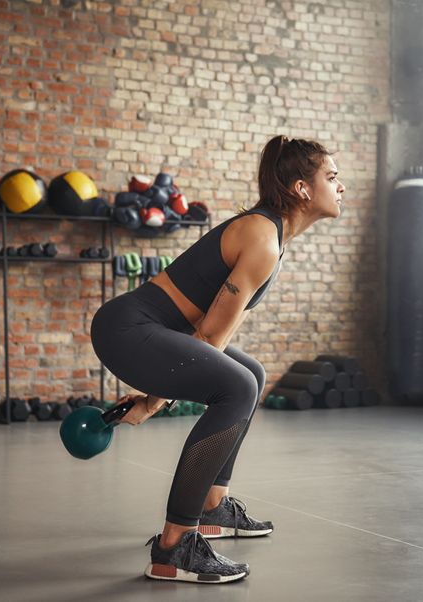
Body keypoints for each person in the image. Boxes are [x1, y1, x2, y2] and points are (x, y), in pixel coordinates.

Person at [89, 135, 345, 584]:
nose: (340, 187)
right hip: (128, 329)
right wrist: (155, 401)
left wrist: (155, 396)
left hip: (152, 331)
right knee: (238, 386)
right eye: (332, 177)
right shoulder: (263, 237)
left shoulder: (271, 235)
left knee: (250, 373)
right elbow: (208, 336)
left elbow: (219, 327)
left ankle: (214, 506)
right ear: (303, 188)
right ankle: (175, 546)